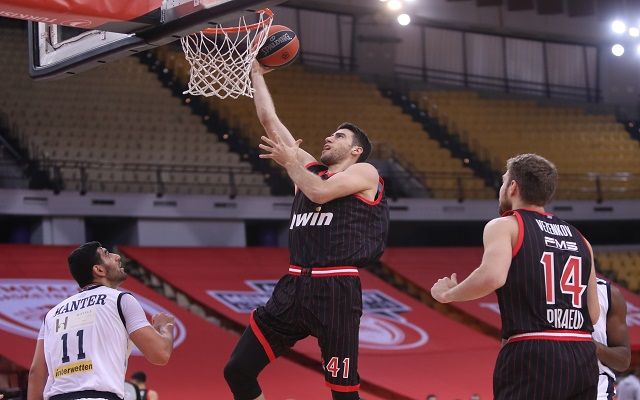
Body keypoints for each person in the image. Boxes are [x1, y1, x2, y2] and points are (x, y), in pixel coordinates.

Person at [223, 62, 389, 400]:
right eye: (330, 134)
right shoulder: (309, 171)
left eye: (339, 136)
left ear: (355, 151)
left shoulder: (366, 173)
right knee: (237, 370)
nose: (329, 137)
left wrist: (290, 163)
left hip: (336, 288)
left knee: (343, 394)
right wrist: (256, 75)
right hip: (294, 284)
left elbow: (320, 193)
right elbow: (270, 122)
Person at [431, 154, 600, 399]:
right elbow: (593, 314)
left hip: (533, 352)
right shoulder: (580, 238)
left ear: (512, 187)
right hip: (583, 354)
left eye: (503, 182)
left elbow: (492, 277)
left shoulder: (505, 225)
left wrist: (448, 294)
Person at [27, 242, 175, 400]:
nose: (117, 257)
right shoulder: (120, 300)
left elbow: (36, 372)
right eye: (107, 254)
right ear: (99, 270)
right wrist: (164, 327)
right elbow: (160, 354)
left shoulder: (52, 314)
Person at [592, 277, 631, 399]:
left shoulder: (609, 293)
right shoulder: (542, 285)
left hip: (598, 388)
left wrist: (593, 347)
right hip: (550, 384)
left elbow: (624, 360)